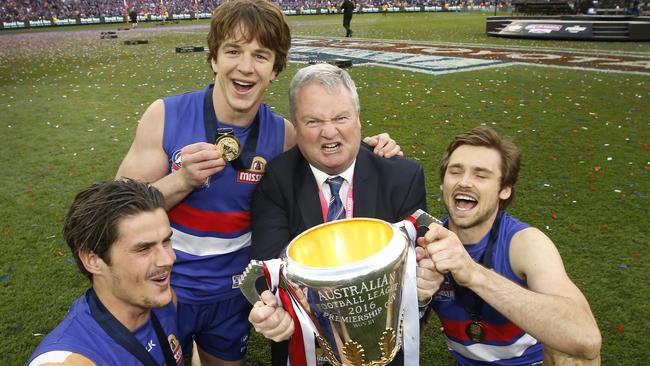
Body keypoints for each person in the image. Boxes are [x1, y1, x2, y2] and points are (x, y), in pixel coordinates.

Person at [115, 1, 400, 365]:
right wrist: (181, 180)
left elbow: (331, 151)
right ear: (215, 57)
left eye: (261, 55)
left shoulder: (283, 135)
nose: (245, 67)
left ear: (275, 69)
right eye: (233, 50)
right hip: (166, 288)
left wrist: (375, 150)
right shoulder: (165, 115)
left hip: (235, 297)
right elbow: (118, 211)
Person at [247, 63, 432, 365]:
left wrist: (423, 290)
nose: (329, 132)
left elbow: (415, 277)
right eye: (313, 121)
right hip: (308, 348)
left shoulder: (402, 177)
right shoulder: (277, 179)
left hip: (383, 345)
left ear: (358, 119)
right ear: (295, 125)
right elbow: (270, 268)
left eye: (340, 117)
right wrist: (272, 309)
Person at [416, 127, 602, 365]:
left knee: (572, 356)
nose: (464, 182)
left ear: (504, 190)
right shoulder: (427, 244)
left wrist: (475, 274)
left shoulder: (525, 243)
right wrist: (418, 298)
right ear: (443, 184)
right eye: (455, 172)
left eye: (481, 175)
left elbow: (586, 339)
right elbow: (399, 338)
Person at [27, 179, 184, 366]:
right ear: (93, 261)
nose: (168, 259)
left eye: (166, 241)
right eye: (144, 249)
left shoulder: (161, 298)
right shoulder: (70, 360)